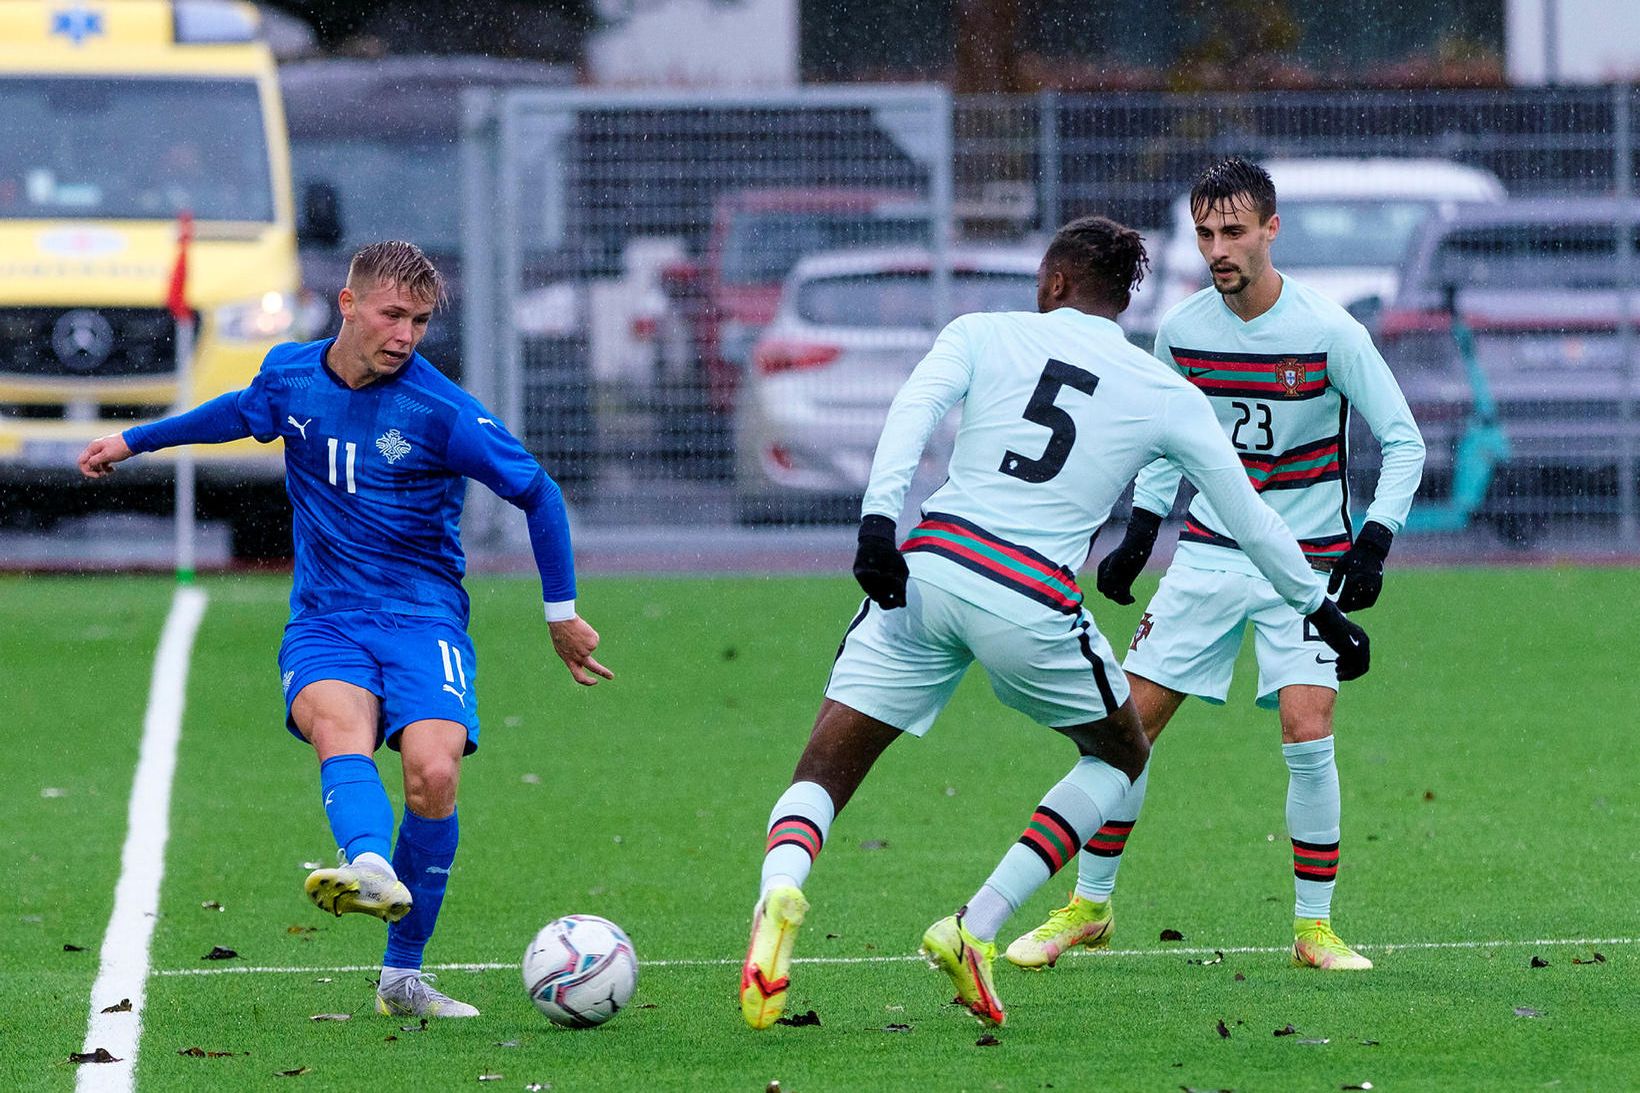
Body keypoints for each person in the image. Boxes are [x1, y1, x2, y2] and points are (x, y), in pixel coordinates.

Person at [738, 215, 1372, 1031]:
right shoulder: (1162, 389)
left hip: (926, 569)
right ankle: (976, 924)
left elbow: (912, 411)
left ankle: (780, 890)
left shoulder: (981, 331)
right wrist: (1319, 608)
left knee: (825, 764)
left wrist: (874, 524)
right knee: (1121, 752)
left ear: (1056, 283)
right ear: (1121, 300)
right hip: (1027, 598)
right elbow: (1250, 518)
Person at [77, 241, 612, 1018]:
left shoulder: (442, 411)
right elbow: (236, 411)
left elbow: (539, 493)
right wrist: (134, 440)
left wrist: (561, 615)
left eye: (421, 320)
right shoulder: (291, 375)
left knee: (434, 772)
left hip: (424, 618)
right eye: (393, 314)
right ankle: (364, 862)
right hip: (326, 620)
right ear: (349, 304)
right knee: (341, 730)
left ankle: (403, 977)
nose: (406, 334)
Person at [1004, 157, 1425, 975]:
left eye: (1234, 231)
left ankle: (1314, 928)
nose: (1218, 248)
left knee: (1308, 726)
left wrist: (1375, 538)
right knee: (1125, 728)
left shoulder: (1331, 332)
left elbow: (1404, 439)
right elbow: (1169, 435)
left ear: (1272, 229)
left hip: (1305, 566)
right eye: (1205, 233)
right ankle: (1089, 907)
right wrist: (1140, 529)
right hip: (1205, 557)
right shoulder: (1184, 330)